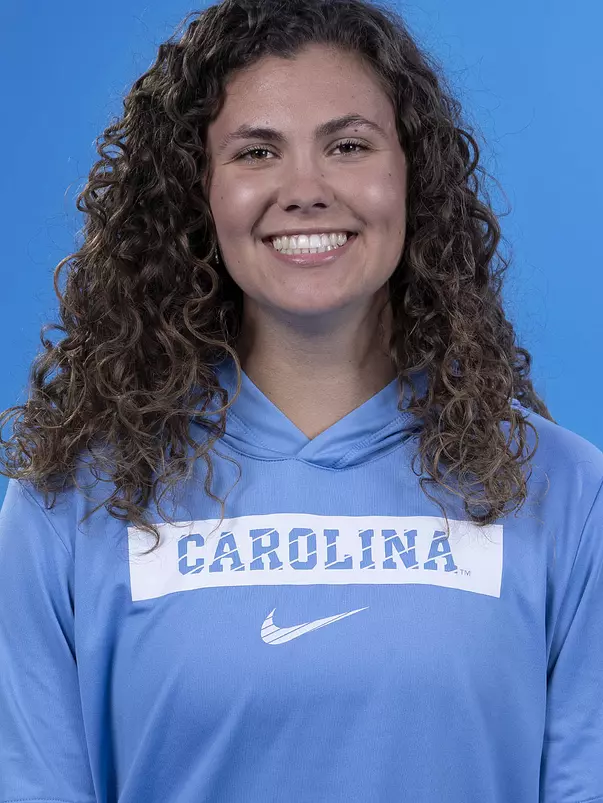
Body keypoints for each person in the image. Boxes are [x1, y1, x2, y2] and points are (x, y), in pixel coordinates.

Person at [0, 0, 602, 800]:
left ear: (410, 176)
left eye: (348, 145)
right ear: (198, 193)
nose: (305, 189)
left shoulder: (560, 489)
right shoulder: (69, 498)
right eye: (256, 151)